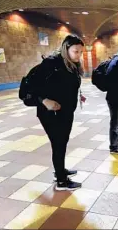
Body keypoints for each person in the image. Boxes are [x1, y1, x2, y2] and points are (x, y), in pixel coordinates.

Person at [34, 34, 85, 191]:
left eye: (81, 52)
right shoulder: (52, 63)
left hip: (65, 111)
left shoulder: (71, 64)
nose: (79, 55)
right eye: (76, 51)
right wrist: (44, 100)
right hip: (51, 113)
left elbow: (66, 84)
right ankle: (62, 181)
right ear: (66, 49)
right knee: (59, 144)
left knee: (62, 142)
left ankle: (60, 171)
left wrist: (78, 95)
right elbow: (31, 85)